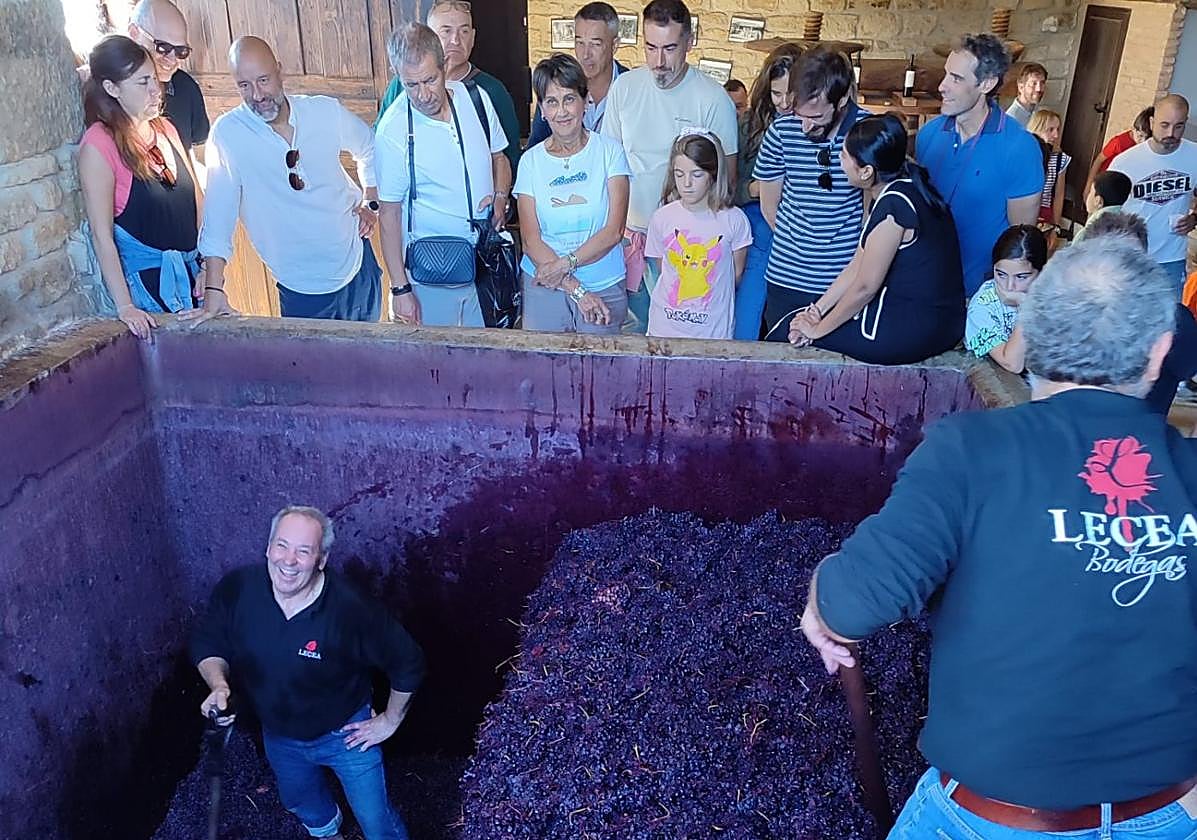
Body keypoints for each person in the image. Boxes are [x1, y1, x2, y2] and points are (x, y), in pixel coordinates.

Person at [800, 238, 1197, 840]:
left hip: (988, 821)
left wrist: (821, 595)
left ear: (1028, 337)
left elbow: (851, 606)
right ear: (1158, 354)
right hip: (1166, 817)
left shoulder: (972, 451)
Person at [192, 506, 425, 840]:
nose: (289, 561)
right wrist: (219, 685)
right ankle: (329, 834)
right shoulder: (239, 590)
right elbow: (208, 638)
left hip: (347, 735)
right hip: (279, 736)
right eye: (282, 546)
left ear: (322, 559)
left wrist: (389, 720)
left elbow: (408, 661)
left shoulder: (350, 609)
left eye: (304, 551)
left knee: (375, 819)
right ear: (268, 547)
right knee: (301, 802)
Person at [196, 37, 381, 322]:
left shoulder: (323, 111)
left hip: (358, 267)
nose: (257, 95)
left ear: (280, 72)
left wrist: (371, 203)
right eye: (244, 86)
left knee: (371, 362)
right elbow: (218, 221)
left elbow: (369, 148)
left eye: (263, 80)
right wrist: (213, 288)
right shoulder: (228, 135)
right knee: (313, 368)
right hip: (300, 288)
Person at [601, 0, 738, 334]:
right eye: (650, 48)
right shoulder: (624, 88)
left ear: (690, 43)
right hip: (630, 239)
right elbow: (610, 165)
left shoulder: (713, 99)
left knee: (685, 336)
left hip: (687, 247)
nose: (658, 61)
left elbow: (727, 181)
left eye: (669, 48)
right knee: (634, 335)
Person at [788, 114, 965, 364]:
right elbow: (857, 266)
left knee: (792, 336)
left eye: (845, 156)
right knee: (800, 322)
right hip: (941, 324)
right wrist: (816, 311)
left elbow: (865, 287)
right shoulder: (908, 187)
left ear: (866, 171)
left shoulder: (894, 206)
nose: (840, 161)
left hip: (913, 330)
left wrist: (816, 330)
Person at [375, 23, 509, 328]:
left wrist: (501, 197)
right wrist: (400, 289)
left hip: (485, 266)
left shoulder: (475, 98)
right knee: (434, 368)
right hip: (431, 276)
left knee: (486, 358)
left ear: (445, 66)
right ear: (398, 77)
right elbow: (389, 215)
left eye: (430, 80)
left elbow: (499, 158)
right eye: (411, 84)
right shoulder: (393, 131)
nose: (423, 95)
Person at [78, 34, 204, 339]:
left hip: (194, 282)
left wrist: (207, 269)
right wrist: (126, 307)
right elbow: (102, 236)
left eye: (154, 80)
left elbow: (197, 200)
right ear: (112, 88)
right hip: (148, 295)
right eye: (142, 82)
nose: (155, 90)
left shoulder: (166, 129)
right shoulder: (99, 145)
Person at [916, 33, 1044, 295]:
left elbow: (1020, 242)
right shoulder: (928, 134)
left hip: (977, 296)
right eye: (946, 74)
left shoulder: (1020, 148)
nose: (942, 86)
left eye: (956, 78)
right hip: (923, 285)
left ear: (986, 84)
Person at [756, 46, 869, 340]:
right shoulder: (781, 131)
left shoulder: (866, 131)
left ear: (842, 99)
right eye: (799, 114)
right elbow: (770, 207)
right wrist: (800, 247)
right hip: (786, 278)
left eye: (816, 116)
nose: (805, 125)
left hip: (843, 281)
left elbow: (872, 216)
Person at [515, 54, 631, 334]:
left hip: (603, 283)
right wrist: (575, 289)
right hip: (545, 284)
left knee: (602, 373)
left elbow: (614, 231)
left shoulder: (610, 152)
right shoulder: (530, 162)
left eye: (569, 98)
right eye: (551, 102)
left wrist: (565, 264)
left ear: (585, 100)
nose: (562, 111)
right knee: (544, 373)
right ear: (541, 109)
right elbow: (531, 240)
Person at [376, 0, 521, 172]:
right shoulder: (401, 87)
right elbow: (380, 141)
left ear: (473, 37)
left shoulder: (492, 91)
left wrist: (500, 195)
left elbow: (509, 156)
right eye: (446, 31)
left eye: (464, 31)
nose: (456, 40)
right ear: (430, 37)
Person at [1079, 212, 1197, 416]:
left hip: (1141, 441)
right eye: (1110, 259)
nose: (1121, 270)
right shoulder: (1064, 314)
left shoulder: (1176, 322)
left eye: (1131, 261)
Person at [645, 131, 751, 339]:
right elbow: (663, 267)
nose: (686, 184)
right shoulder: (662, 217)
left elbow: (736, 274)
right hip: (663, 330)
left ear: (712, 174)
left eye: (697, 174)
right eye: (679, 174)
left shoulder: (734, 220)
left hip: (712, 334)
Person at [733, 43, 801, 341]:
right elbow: (729, 189)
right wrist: (760, 187)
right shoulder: (750, 124)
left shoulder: (817, 123)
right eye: (776, 94)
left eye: (792, 93)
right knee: (749, 304)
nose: (784, 103)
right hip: (758, 226)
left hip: (800, 228)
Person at [1109, 93, 1197, 292]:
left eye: (1179, 126)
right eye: (1164, 125)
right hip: (1130, 257)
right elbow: (1103, 210)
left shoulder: (1194, 156)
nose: (1171, 133)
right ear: (1151, 122)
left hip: (1172, 259)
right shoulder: (1125, 162)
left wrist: (1195, 218)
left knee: (1167, 320)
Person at [528, 2, 628, 148]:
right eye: (580, 42)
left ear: (615, 45)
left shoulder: (632, 87)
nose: (585, 54)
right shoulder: (558, 85)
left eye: (595, 44)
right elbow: (536, 147)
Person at [127, 0, 209, 161]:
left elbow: (199, 156)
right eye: (163, 47)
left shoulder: (186, 88)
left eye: (181, 51)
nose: (172, 60)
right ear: (134, 33)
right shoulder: (106, 92)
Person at [963, 224, 1047, 373]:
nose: (1009, 286)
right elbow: (1012, 364)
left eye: (1021, 277)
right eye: (1001, 274)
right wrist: (1025, 307)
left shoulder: (1053, 296)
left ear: (1041, 272)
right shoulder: (983, 306)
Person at [1086, 106, 1152, 186]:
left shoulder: (1146, 145)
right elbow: (1099, 160)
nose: (1143, 141)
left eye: (1147, 138)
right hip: (1105, 181)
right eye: (1140, 136)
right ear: (1133, 129)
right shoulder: (1118, 142)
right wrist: (1088, 186)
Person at [1027, 108, 1070, 232]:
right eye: (1050, 130)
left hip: (1044, 213)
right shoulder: (1025, 153)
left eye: (1057, 130)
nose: (1056, 135)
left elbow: (1058, 194)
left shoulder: (1059, 159)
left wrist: (1056, 226)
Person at [1074, 169, 1133, 243]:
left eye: (1090, 192)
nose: (1088, 196)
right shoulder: (1134, 231)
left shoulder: (1086, 235)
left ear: (1098, 201)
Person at [1005, 61, 1046, 127]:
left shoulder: (1038, 111)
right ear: (1021, 86)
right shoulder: (1011, 120)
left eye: (1042, 83)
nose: (1039, 89)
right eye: (1034, 83)